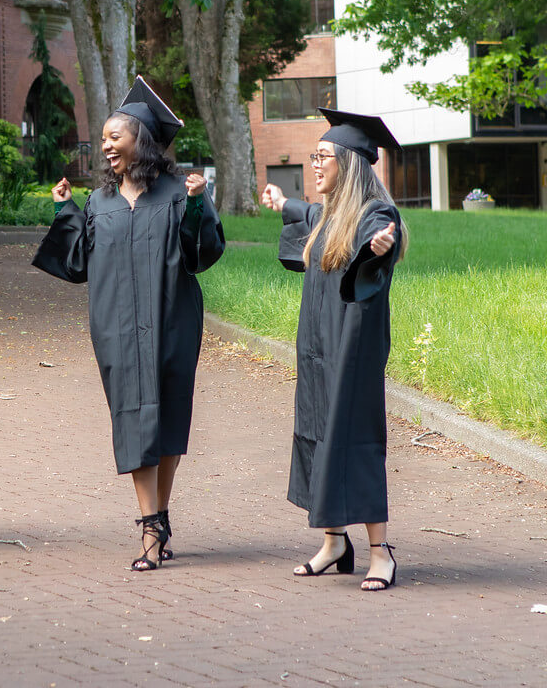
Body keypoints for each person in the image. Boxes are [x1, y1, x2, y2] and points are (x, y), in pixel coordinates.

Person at [33, 77, 224, 571]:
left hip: (173, 323)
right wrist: (64, 210)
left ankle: (157, 516)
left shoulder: (179, 194)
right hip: (116, 328)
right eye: (103, 140)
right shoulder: (99, 204)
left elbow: (201, 253)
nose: (106, 146)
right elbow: (76, 265)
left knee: (168, 420)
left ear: (140, 139)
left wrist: (201, 203)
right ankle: (151, 528)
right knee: (134, 420)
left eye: (114, 137)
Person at [258, 107, 405, 592]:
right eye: (314, 156)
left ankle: (381, 553)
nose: (315, 165)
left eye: (324, 157)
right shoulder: (327, 215)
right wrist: (282, 202)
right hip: (317, 345)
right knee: (318, 428)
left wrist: (381, 247)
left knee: (355, 438)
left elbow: (382, 240)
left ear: (350, 163)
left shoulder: (375, 216)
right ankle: (334, 543)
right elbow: (305, 213)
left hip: (352, 351)